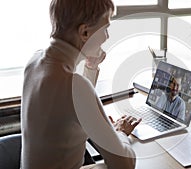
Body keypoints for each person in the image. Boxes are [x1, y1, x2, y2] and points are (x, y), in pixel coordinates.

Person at [21, 0, 141, 169]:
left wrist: (90, 67)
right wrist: (120, 132)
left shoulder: (34, 62)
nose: (107, 36)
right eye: (105, 28)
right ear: (85, 32)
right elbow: (125, 164)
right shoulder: (75, 86)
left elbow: (72, 108)